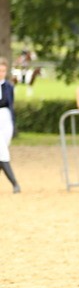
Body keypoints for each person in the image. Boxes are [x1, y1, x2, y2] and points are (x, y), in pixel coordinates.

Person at [0, 59, 19, 193]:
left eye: (3, 71)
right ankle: (15, 183)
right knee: (2, 151)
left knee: (3, 149)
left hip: (6, 118)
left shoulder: (9, 86)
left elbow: (11, 104)